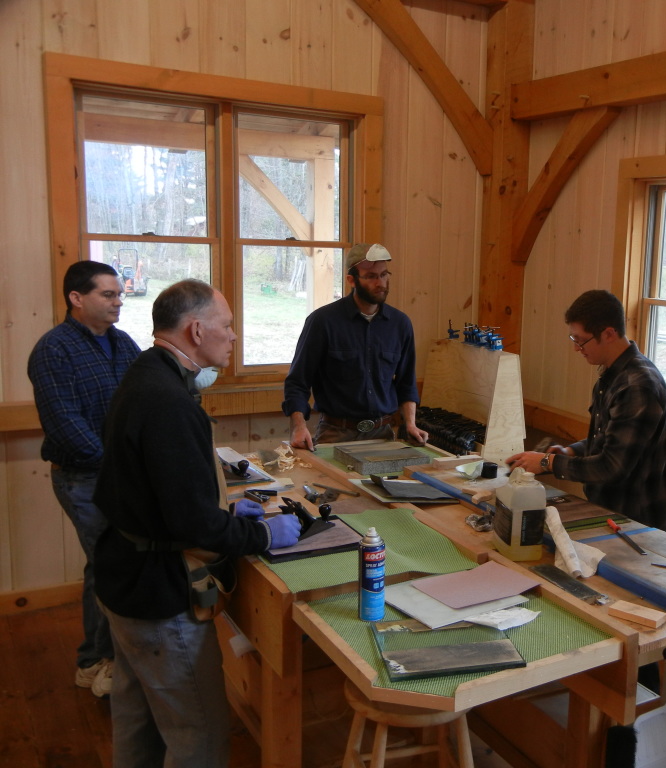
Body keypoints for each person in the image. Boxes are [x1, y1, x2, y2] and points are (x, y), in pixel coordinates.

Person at [93, 279, 301, 768]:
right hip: (157, 597)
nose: (233, 337)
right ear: (195, 329)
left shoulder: (145, 375)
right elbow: (191, 525)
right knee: (199, 734)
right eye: (226, 327)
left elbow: (162, 493)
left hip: (124, 578)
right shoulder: (168, 402)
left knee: (138, 718)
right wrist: (264, 532)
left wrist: (223, 510)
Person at [27, 261, 142, 698]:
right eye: (108, 295)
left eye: (118, 294)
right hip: (83, 479)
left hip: (121, 475)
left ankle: (96, 658)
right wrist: (121, 466)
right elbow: (65, 425)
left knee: (105, 566)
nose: (118, 301)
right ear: (77, 298)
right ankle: (107, 659)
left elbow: (143, 403)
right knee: (112, 565)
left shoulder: (123, 344)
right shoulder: (52, 350)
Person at [507, 289, 666, 531]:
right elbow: (609, 438)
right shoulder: (612, 375)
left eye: (581, 340)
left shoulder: (637, 385)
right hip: (609, 512)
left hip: (637, 522)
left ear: (609, 333)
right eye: (573, 339)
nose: (577, 348)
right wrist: (570, 451)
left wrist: (547, 462)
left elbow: (611, 466)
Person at [282, 242, 428, 448]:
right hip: (335, 433)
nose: (381, 283)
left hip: (383, 433)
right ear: (352, 280)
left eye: (384, 274)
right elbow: (297, 382)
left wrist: (411, 424)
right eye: (371, 276)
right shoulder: (323, 322)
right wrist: (298, 426)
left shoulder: (400, 324)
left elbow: (406, 382)